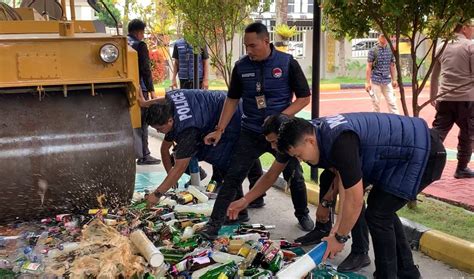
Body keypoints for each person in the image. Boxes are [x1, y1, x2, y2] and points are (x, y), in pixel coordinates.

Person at [272, 113, 446, 278]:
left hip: (424, 153)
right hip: (406, 151)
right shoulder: (319, 131)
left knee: (379, 214)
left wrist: (340, 237)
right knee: (383, 209)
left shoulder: (339, 142)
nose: (301, 160)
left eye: (299, 155)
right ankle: (407, 272)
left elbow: (355, 199)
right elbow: (347, 190)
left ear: (309, 141)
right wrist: (336, 230)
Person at [200, 22, 313, 240]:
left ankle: (303, 214)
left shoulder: (287, 63)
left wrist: (281, 118)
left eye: (253, 46)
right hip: (250, 131)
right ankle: (213, 224)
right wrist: (220, 129)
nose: (249, 51)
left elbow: (304, 98)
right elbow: (232, 99)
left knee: (295, 176)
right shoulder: (241, 67)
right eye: (246, 46)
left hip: (282, 133)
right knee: (232, 176)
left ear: (265, 41)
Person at [263, 115, 372, 272]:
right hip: (344, 162)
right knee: (326, 177)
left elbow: (346, 185)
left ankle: (361, 251)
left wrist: (338, 230)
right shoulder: (295, 141)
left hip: (366, 160)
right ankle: (322, 229)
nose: (273, 147)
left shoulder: (326, 140)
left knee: (355, 198)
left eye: (274, 141)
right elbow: (270, 175)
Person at [144, 89, 261, 224]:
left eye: (159, 128)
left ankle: (239, 213)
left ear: (170, 120)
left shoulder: (187, 129)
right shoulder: (168, 104)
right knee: (235, 155)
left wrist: (157, 194)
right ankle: (246, 204)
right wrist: (169, 176)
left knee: (223, 160)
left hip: (233, 117)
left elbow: (180, 167)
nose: (159, 131)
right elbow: (164, 149)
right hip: (222, 107)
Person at [430, 20, 474, 179]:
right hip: (466, 100)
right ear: (464, 28)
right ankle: (461, 168)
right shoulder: (470, 46)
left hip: (445, 98)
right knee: (468, 134)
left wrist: (433, 95)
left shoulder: (442, 46)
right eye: (472, 27)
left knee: (438, 133)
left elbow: (434, 74)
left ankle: (425, 163)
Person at [127, 19, 161, 165]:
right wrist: (152, 91)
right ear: (139, 32)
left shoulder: (124, 43)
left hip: (126, 88)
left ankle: (133, 152)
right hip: (140, 90)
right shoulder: (140, 45)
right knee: (143, 123)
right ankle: (144, 155)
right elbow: (146, 70)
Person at [365, 33, 400, 114]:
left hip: (387, 81)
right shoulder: (373, 50)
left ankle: (396, 121)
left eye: (386, 36)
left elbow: (392, 65)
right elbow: (369, 67)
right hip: (375, 81)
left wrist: (394, 79)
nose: (384, 38)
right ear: (378, 37)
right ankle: (376, 123)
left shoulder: (390, 50)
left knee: (392, 102)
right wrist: (367, 82)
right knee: (376, 104)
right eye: (382, 36)